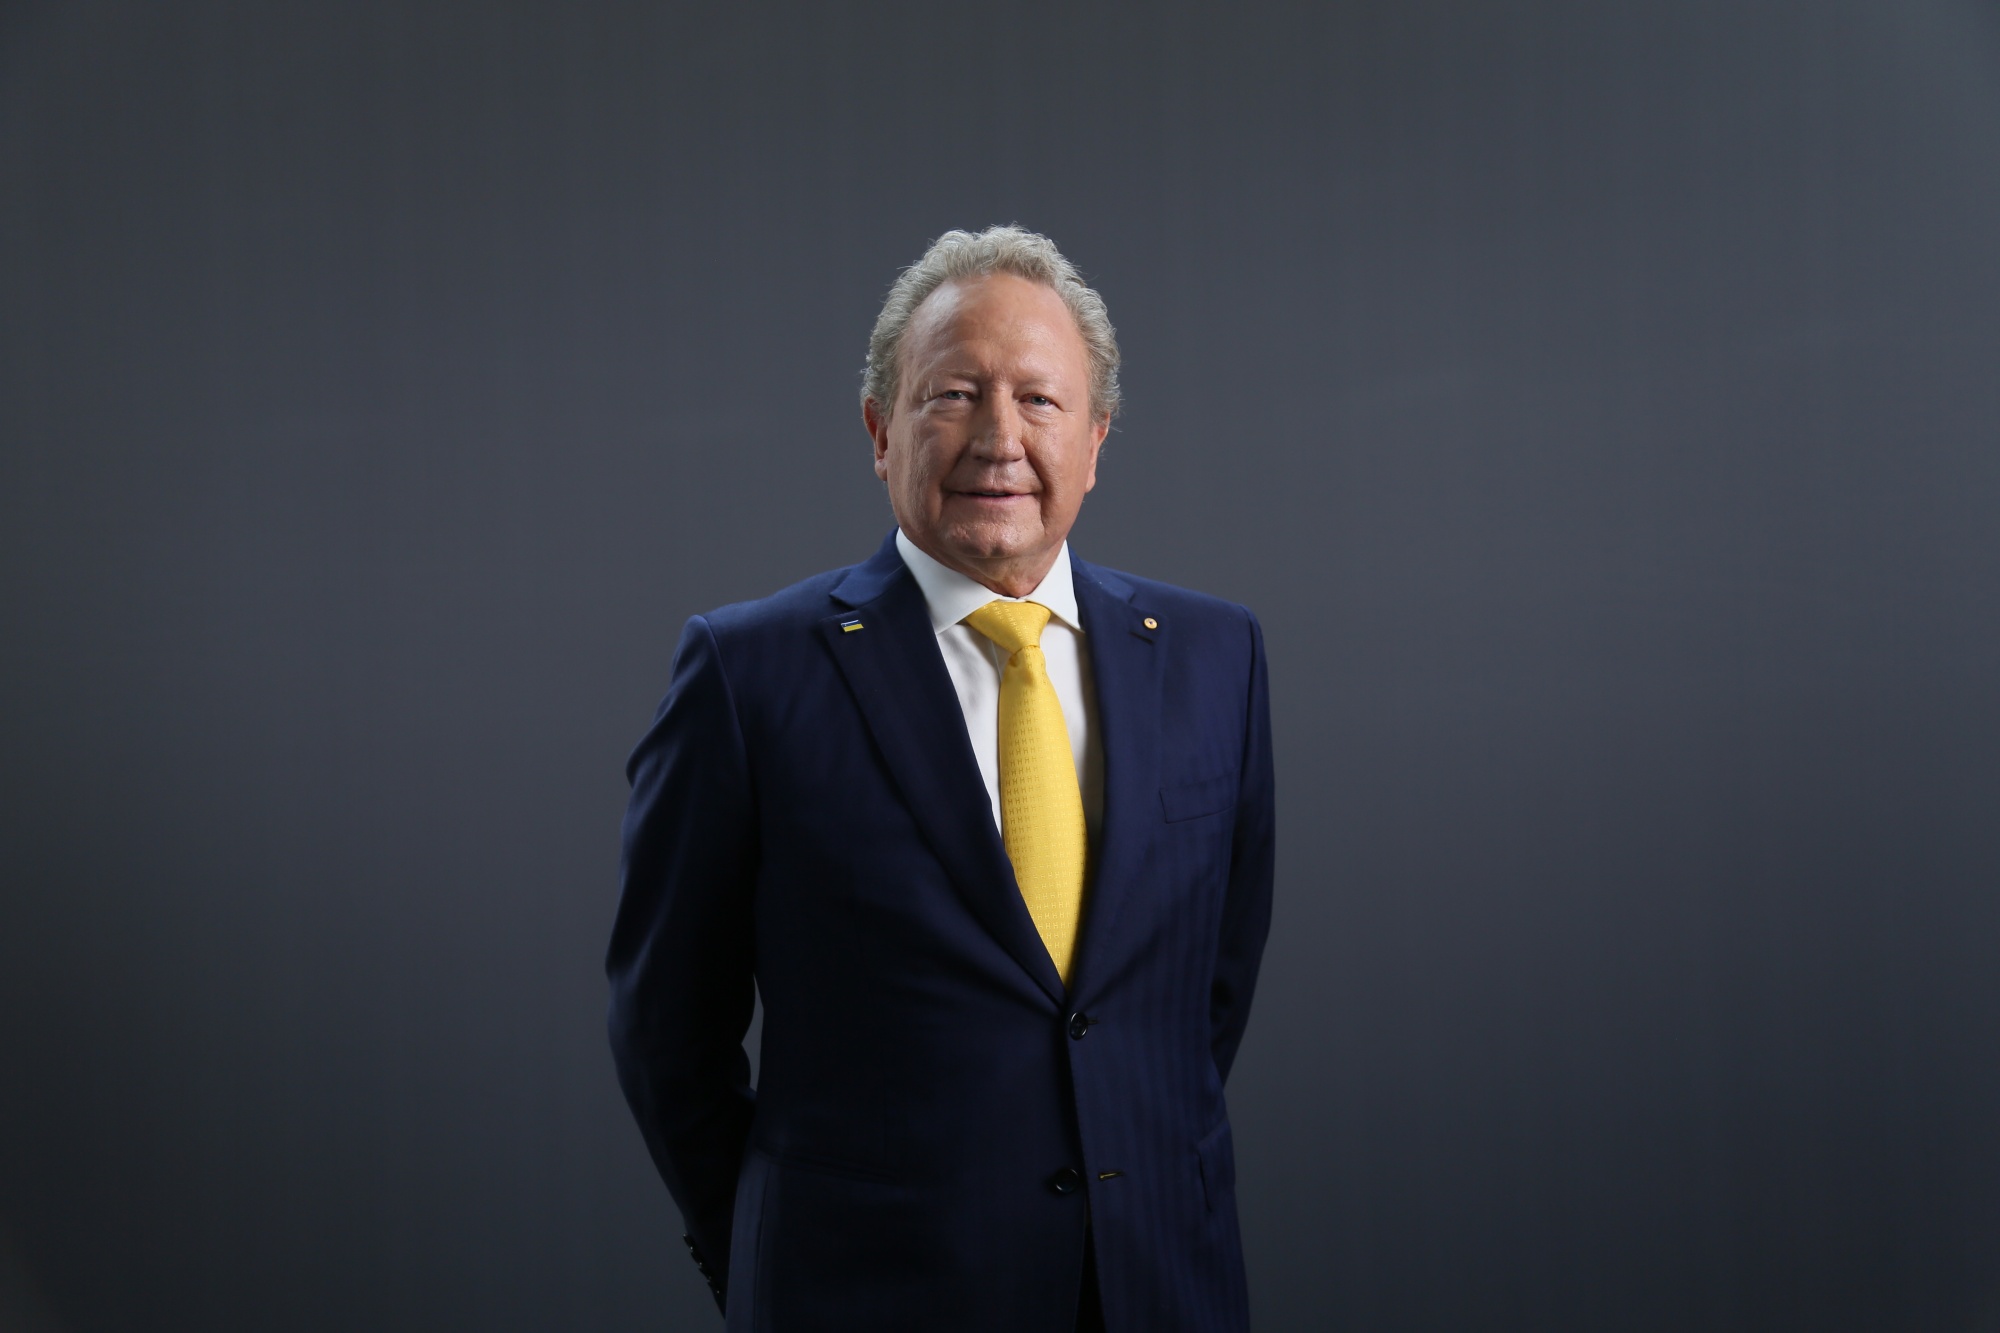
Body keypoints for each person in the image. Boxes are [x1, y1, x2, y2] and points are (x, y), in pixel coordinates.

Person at [607, 225, 1274, 1332]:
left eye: (1039, 400)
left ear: (1096, 440)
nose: (999, 439)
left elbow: (1204, 999)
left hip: (1158, 1286)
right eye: (954, 395)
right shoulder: (749, 671)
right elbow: (665, 1031)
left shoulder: (1215, 655)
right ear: (881, 430)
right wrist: (772, 1256)